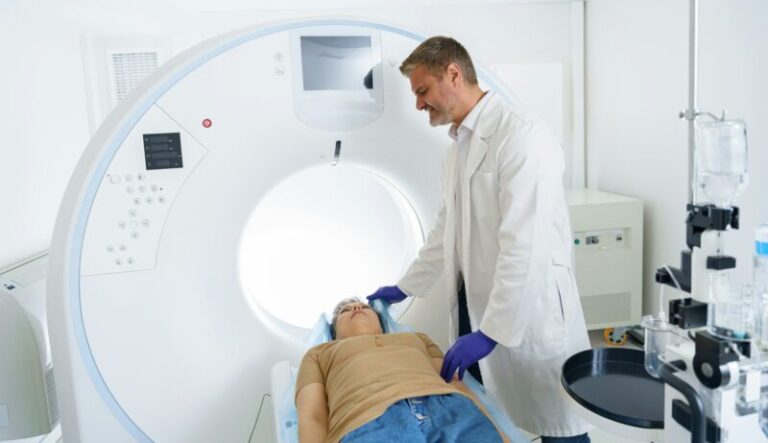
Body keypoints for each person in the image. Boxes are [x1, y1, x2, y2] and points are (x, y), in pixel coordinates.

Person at [366, 36, 592, 442]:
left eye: (422, 91)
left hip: (528, 311)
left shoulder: (521, 137)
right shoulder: (457, 150)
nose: (419, 104)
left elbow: (527, 247)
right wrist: (404, 286)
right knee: (490, 423)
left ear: (453, 74)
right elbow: (444, 232)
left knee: (559, 427)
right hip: (479, 307)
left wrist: (492, 332)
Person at [295, 298, 509, 443]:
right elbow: (313, 416)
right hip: (366, 418)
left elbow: (455, 384)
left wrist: (501, 434)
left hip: (452, 409)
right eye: (345, 310)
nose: (357, 308)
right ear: (334, 331)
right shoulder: (319, 354)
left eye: (364, 306)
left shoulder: (418, 338)